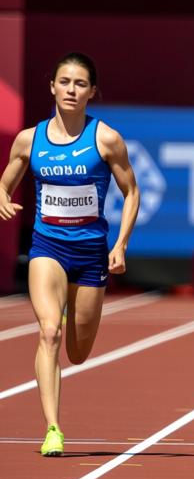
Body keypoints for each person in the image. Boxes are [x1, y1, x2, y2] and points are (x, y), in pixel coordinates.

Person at [0, 52, 140, 457]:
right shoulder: (30, 139)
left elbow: (132, 192)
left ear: (92, 91)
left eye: (80, 84)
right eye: (64, 82)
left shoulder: (106, 138)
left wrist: (121, 245)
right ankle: (53, 428)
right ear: (52, 87)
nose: (71, 90)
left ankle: (66, 307)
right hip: (47, 247)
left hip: (92, 254)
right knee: (49, 332)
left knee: (78, 353)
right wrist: (3, 200)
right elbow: (5, 182)